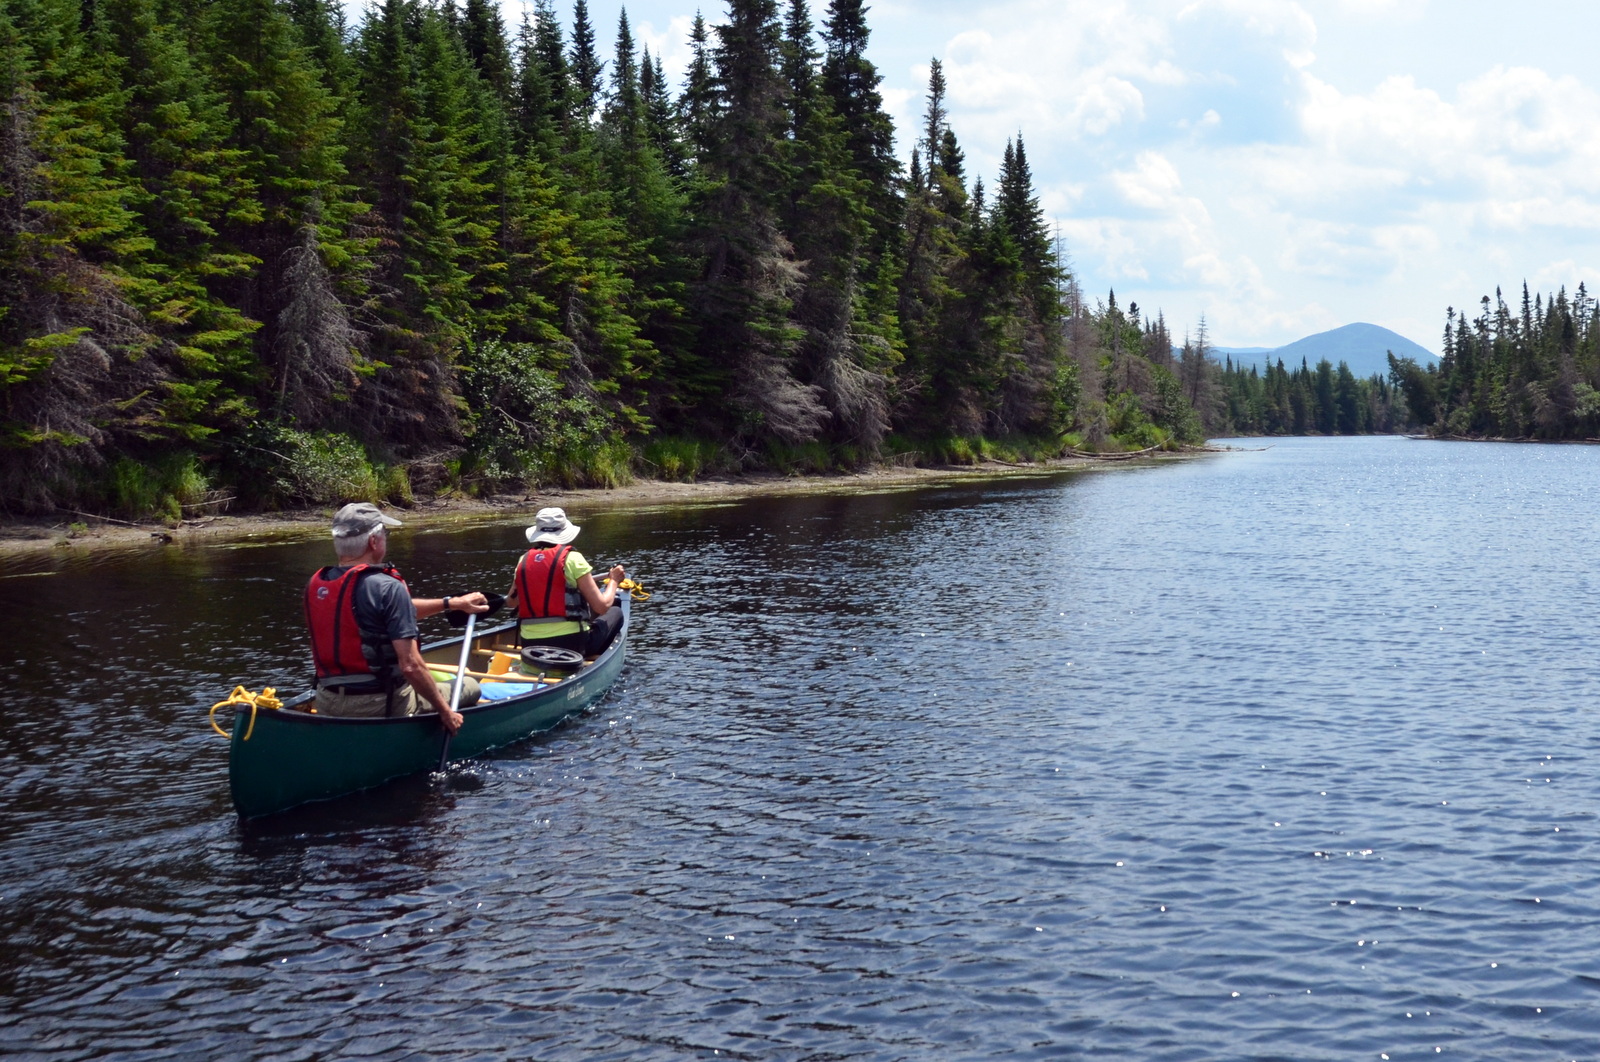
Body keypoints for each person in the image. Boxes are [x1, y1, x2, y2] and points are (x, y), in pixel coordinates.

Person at [306, 502, 489, 732]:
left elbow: (389, 612)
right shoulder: (388, 587)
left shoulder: (318, 584)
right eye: (385, 533)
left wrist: (451, 604)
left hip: (327, 701)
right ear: (374, 542)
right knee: (470, 685)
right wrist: (446, 711)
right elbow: (411, 666)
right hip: (380, 704)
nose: (385, 538)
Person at [504, 507, 625, 657]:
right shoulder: (573, 558)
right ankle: (595, 659)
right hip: (571, 645)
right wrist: (613, 581)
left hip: (530, 645)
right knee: (616, 611)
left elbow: (511, 602)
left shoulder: (524, 560)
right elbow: (601, 607)